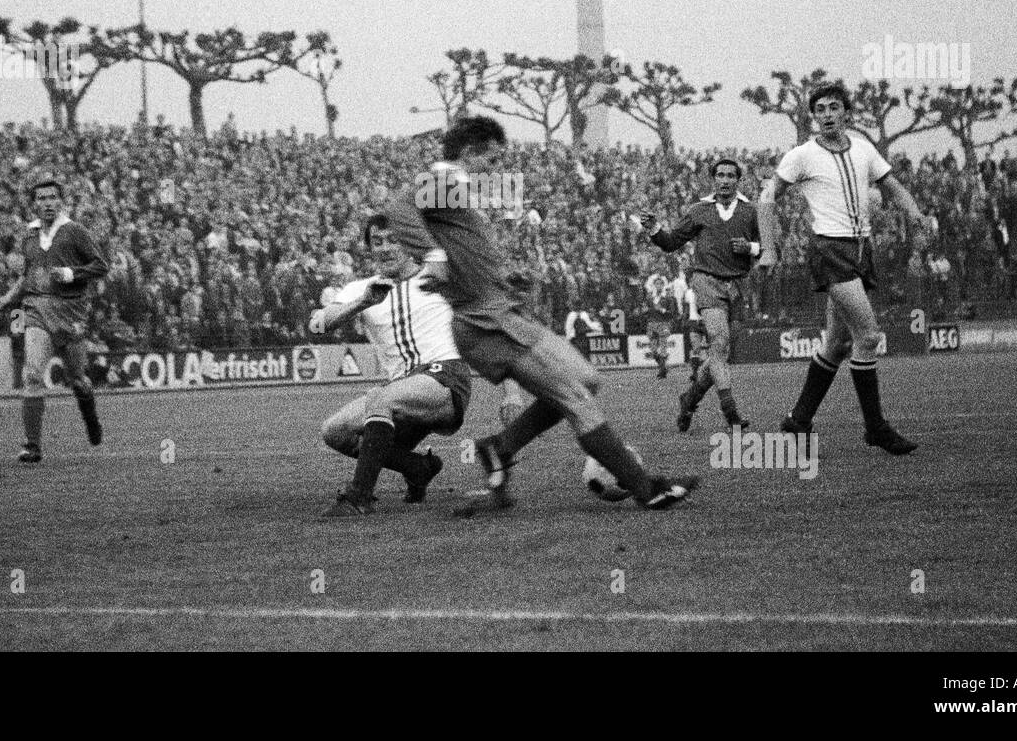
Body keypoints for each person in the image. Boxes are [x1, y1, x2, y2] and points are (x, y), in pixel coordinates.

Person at [386, 115, 697, 513]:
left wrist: (503, 276)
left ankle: (500, 448)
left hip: (501, 310)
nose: (495, 170)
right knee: (574, 397)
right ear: (470, 152)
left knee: (586, 379)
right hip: (487, 322)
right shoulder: (446, 179)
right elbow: (398, 208)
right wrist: (433, 255)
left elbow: (463, 248)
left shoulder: (459, 189)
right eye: (492, 160)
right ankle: (647, 489)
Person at [762, 84, 931, 454]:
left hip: (861, 248)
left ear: (846, 113)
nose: (825, 114)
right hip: (830, 251)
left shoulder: (864, 149)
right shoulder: (802, 155)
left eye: (833, 107)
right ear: (813, 116)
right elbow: (766, 197)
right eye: (819, 109)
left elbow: (894, 186)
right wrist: (769, 250)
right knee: (868, 337)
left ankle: (798, 420)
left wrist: (915, 214)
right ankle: (876, 427)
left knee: (837, 344)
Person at [313, 214, 471, 516]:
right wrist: (362, 303)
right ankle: (418, 467)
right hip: (400, 389)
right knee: (334, 432)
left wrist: (511, 392)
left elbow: (488, 315)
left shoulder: (437, 278)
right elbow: (319, 326)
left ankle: (359, 497)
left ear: (409, 242)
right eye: (378, 242)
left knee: (382, 399)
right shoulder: (359, 289)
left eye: (393, 240)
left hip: (444, 378)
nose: (385, 248)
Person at [0, 177, 109, 463]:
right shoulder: (29, 236)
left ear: (61, 201)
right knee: (32, 374)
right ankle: (32, 445)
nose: (47, 203)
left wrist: (70, 274)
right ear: (34, 203)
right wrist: (7, 299)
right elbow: (28, 277)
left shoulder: (74, 232)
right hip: (36, 310)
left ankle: (89, 414)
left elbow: (101, 265)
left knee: (77, 380)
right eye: (42, 198)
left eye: (53, 197)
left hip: (70, 313)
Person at [640, 158, 759, 433]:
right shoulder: (699, 210)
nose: (725, 180)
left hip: (738, 286)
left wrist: (751, 247)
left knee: (720, 352)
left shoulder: (751, 211)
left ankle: (689, 399)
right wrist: (655, 228)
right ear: (713, 179)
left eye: (731, 175)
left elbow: (768, 248)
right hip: (706, 282)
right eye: (720, 175)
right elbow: (671, 243)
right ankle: (731, 412)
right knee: (718, 340)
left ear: (738, 180)